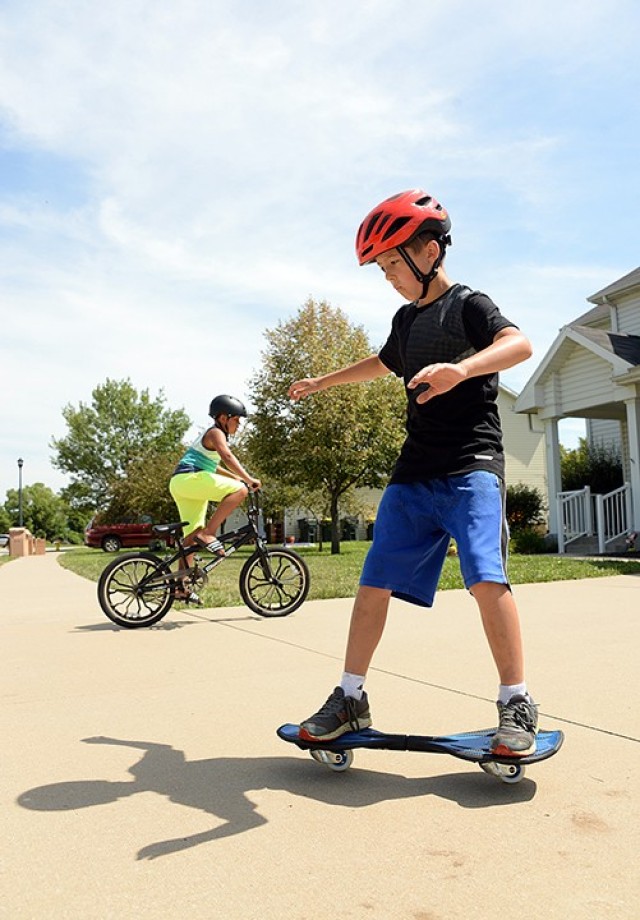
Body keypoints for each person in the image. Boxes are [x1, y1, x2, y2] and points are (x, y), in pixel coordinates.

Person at [289, 189, 537, 756]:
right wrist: (322, 382)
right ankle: (350, 697)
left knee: (484, 578)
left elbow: (518, 344)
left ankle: (516, 700)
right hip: (413, 473)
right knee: (372, 583)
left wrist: (462, 369)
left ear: (429, 251)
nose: (389, 278)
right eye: (381, 270)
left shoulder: (470, 306)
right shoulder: (405, 320)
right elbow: (382, 362)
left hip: (472, 467)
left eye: (392, 265)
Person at [169, 394, 261, 601]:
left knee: (191, 538)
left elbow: (214, 466)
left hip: (182, 483)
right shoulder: (215, 433)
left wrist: (238, 477)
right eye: (236, 420)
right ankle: (210, 533)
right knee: (240, 491)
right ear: (222, 418)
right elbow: (227, 457)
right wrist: (247, 480)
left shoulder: (210, 436)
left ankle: (179, 587)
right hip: (190, 479)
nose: (238, 425)